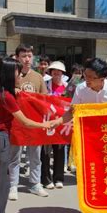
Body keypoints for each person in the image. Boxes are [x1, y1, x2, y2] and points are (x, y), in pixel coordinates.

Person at [0, 58, 55, 213]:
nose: (20, 75)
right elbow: (25, 121)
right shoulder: (5, 96)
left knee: (4, 186)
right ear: (8, 74)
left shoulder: (3, 92)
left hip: (1, 140)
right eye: (17, 72)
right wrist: (46, 124)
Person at [55, 57, 107, 213]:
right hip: (87, 140)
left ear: (102, 78)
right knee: (88, 177)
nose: (86, 80)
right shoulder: (81, 89)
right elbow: (72, 111)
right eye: (85, 75)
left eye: (90, 77)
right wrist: (57, 121)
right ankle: (87, 211)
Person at [8, 44, 48, 200]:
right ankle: (13, 185)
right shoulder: (13, 76)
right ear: (17, 57)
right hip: (17, 123)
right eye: (23, 56)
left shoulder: (38, 77)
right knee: (15, 156)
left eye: (30, 56)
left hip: (34, 122)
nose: (27, 59)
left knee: (35, 156)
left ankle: (35, 183)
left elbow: (45, 98)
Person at [41, 61, 68, 189]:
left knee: (60, 150)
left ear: (62, 74)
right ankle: (46, 179)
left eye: (59, 72)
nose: (57, 74)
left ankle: (58, 178)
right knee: (45, 151)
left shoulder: (68, 87)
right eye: (54, 72)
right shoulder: (45, 85)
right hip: (47, 121)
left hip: (62, 123)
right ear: (50, 73)